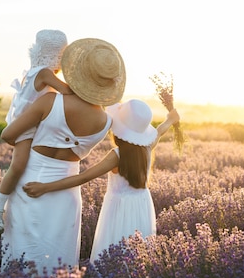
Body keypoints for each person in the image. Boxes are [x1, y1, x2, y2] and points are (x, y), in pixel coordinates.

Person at [0, 37, 126, 273]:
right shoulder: (106, 121)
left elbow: (8, 134)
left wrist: (29, 136)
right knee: (58, 257)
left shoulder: (50, 100)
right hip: (67, 194)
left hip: (31, 182)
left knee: (21, 251)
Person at [23, 99, 180, 263]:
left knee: (115, 246)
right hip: (142, 205)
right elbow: (159, 132)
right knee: (138, 253)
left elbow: (84, 177)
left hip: (119, 207)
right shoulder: (146, 148)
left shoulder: (118, 155)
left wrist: (45, 187)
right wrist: (171, 119)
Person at [0, 29, 73, 233]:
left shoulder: (36, 69)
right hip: (25, 125)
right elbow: (67, 91)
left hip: (30, 121)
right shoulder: (44, 72)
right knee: (18, 165)